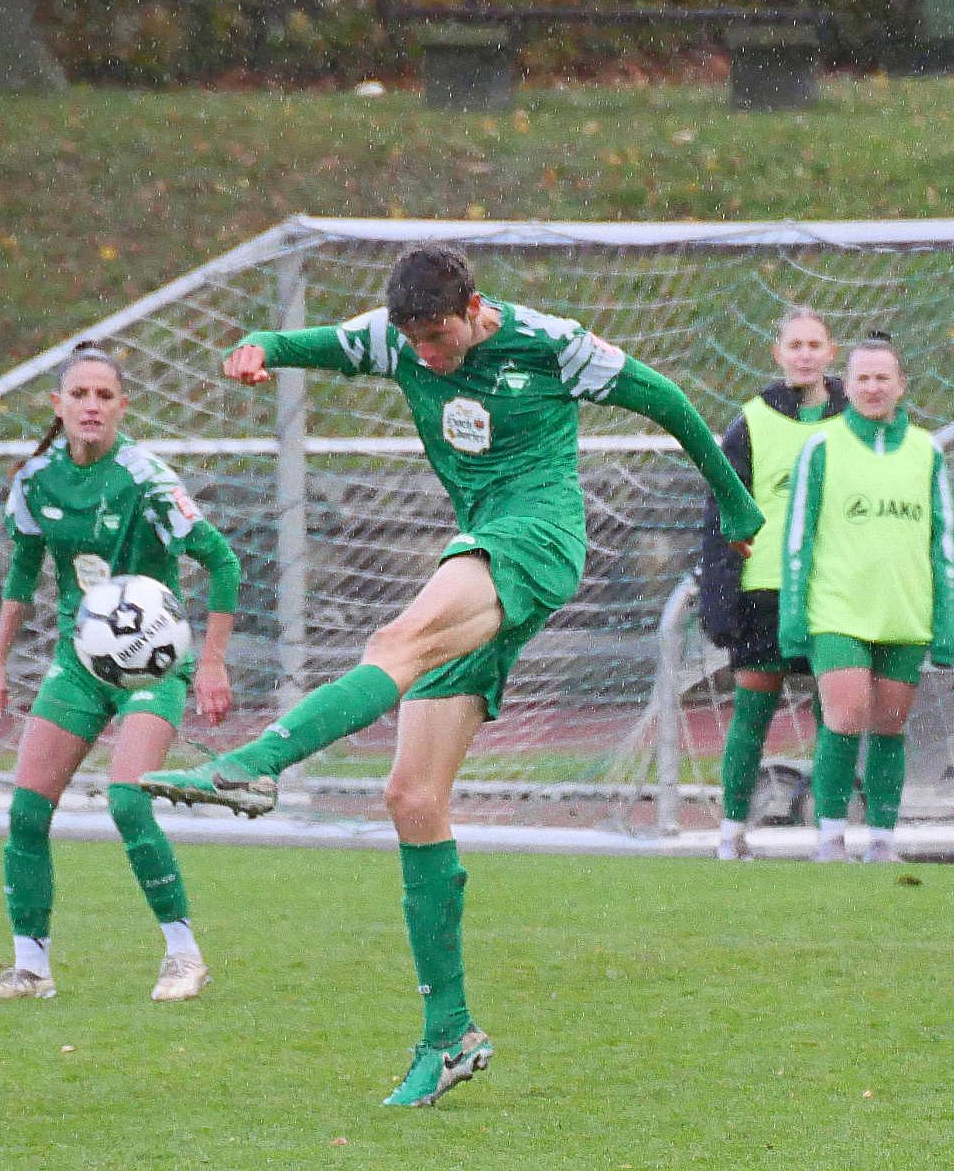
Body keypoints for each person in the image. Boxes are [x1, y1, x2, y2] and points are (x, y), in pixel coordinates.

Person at [141, 244, 763, 1106]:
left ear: (473, 310)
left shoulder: (551, 344)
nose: (426, 356)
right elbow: (309, 344)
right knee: (412, 798)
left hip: (535, 538)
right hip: (481, 545)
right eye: (415, 342)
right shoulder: (394, 338)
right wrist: (258, 346)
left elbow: (669, 402)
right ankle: (450, 1037)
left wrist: (735, 502)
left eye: (439, 338)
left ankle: (254, 765)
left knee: (395, 640)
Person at [0, 344, 240, 1004]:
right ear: (57, 405)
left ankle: (184, 956)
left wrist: (212, 662)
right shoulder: (35, 480)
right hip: (79, 664)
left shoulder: (147, 479)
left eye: (104, 396)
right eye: (79, 394)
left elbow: (223, 561)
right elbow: (23, 574)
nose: (91, 406)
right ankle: (30, 968)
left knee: (127, 800)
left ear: (123, 407)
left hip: (153, 664)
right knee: (26, 812)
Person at [777, 333, 954, 864]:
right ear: (847, 385)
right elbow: (798, 537)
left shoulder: (926, 451)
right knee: (846, 714)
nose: (873, 387)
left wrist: (945, 622)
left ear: (901, 385)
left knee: (889, 725)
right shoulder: (822, 446)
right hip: (837, 610)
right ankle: (830, 836)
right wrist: (794, 616)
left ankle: (882, 840)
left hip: (904, 613)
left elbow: (943, 542)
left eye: (883, 378)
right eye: (863, 378)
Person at [697, 307, 846, 861]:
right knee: (752, 713)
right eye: (795, 345)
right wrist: (720, 599)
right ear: (777, 353)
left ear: (831, 352)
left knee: (835, 715)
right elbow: (722, 512)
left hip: (832, 590)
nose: (805, 355)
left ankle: (830, 832)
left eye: (814, 345)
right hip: (765, 589)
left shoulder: (855, 422)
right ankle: (732, 830)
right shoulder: (751, 422)